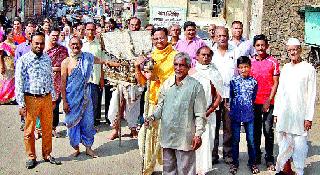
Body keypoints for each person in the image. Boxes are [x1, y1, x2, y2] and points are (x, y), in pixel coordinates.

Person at [146, 52, 206, 175]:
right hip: (168, 134)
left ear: (188, 67)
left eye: (182, 65)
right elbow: (161, 106)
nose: (178, 68)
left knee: (186, 170)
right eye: (176, 65)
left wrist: (198, 134)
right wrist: (152, 117)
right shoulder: (167, 84)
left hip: (185, 136)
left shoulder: (196, 86)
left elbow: (200, 114)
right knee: (168, 169)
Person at [61, 36, 119, 158]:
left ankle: (88, 148)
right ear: (69, 45)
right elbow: (63, 84)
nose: (75, 46)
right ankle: (76, 148)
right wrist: (65, 102)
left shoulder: (87, 57)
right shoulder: (66, 62)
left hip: (86, 96)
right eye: (73, 44)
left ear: (81, 45)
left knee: (88, 122)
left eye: (77, 44)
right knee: (72, 124)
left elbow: (101, 61)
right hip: (72, 98)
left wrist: (111, 63)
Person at [15, 31, 61, 169]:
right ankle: (31, 156)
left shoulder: (47, 58)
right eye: (37, 43)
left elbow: (49, 78)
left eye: (42, 43)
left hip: (46, 98)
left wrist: (53, 96)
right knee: (29, 131)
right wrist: (21, 104)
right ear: (31, 43)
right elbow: (19, 82)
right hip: (30, 99)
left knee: (47, 128)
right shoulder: (24, 60)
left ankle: (47, 154)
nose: (39, 46)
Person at [136, 27, 177, 174]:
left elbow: (174, 80)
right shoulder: (150, 56)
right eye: (156, 38)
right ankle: (148, 167)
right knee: (145, 136)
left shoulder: (175, 56)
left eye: (162, 38)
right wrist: (137, 66)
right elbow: (142, 82)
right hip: (151, 100)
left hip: (168, 102)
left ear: (168, 38)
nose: (159, 41)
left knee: (163, 138)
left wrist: (155, 77)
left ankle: (168, 169)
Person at [274, 38, 316, 175]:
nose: (292, 52)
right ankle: (285, 169)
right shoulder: (285, 68)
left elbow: (311, 95)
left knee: (300, 145)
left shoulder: (309, 69)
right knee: (283, 142)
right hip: (285, 114)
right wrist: (276, 112)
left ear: (300, 50)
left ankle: (298, 171)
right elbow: (280, 91)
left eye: (295, 49)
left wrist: (308, 117)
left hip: (300, 114)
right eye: (290, 50)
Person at [107, 17, 143, 140]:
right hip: (121, 77)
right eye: (132, 24)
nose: (134, 27)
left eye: (137, 24)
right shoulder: (121, 37)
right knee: (115, 105)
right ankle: (115, 129)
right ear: (128, 25)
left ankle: (133, 128)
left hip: (136, 78)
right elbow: (113, 53)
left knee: (133, 105)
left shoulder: (144, 39)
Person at [189, 46, 222, 174]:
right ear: (197, 56)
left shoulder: (214, 72)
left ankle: (202, 170)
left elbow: (219, 95)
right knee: (191, 140)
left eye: (208, 55)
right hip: (192, 114)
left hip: (209, 113)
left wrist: (209, 111)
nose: (205, 57)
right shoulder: (191, 72)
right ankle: (192, 169)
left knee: (207, 141)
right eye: (203, 55)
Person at [250, 34, 280, 170]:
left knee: (268, 130)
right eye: (258, 45)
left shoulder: (273, 62)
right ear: (254, 47)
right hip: (254, 103)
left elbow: (275, 83)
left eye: (263, 45)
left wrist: (268, 100)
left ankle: (269, 158)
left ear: (267, 46)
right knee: (255, 131)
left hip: (269, 102)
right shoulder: (250, 62)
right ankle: (256, 156)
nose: (260, 48)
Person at [211, 26, 239, 164]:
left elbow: (239, 73)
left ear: (228, 36)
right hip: (215, 95)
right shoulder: (211, 53)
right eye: (219, 36)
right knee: (214, 126)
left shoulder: (235, 52)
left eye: (224, 35)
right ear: (215, 37)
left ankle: (228, 154)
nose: (222, 38)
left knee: (228, 126)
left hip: (230, 95)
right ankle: (213, 154)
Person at [229, 56, 259, 174]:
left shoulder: (254, 82)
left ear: (250, 67)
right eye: (241, 67)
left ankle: (252, 162)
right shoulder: (233, 81)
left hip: (249, 114)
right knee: (235, 140)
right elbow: (232, 96)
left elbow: (253, 97)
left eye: (246, 67)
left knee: (251, 140)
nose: (243, 70)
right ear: (237, 68)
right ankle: (234, 162)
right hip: (236, 113)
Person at [45, 26, 69, 137]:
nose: (55, 38)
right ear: (48, 35)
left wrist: (56, 69)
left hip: (59, 81)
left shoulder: (62, 49)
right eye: (53, 35)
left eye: (56, 36)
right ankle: (41, 128)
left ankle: (53, 127)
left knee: (55, 103)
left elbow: (67, 64)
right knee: (44, 104)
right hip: (45, 81)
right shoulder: (43, 49)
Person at [14, 21, 36, 131]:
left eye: (33, 33)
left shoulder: (39, 47)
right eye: (29, 34)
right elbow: (16, 63)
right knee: (23, 102)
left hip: (35, 81)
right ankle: (23, 121)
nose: (31, 36)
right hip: (24, 80)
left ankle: (35, 124)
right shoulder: (20, 48)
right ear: (25, 34)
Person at [82, 22, 104, 127]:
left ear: (95, 30)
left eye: (92, 29)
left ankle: (93, 122)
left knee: (95, 101)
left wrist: (102, 78)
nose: (90, 32)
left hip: (96, 77)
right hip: (83, 79)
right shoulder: (81, 44)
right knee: (84, 102)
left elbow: (102, 62)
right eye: (88, 29)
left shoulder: (99, 45)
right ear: (85, 30)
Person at [0, 28, 16, 104]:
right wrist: (2, 66)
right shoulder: (3, 44)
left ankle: (10, 98)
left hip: (13, 65)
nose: (13, 35)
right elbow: (1, 56)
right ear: (7, 35)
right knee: (6, 82)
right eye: (11, 34)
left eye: (13, 34)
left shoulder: (14, 44)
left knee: (12, 83)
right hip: (6, 65)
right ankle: (3, 98)